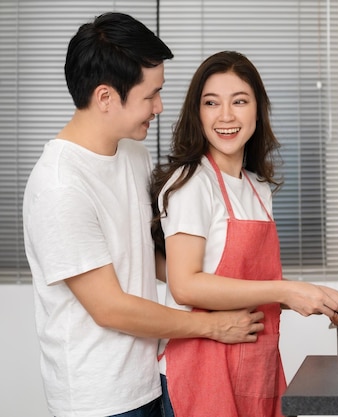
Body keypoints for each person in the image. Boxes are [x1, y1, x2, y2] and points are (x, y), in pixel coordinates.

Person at [22, 14, 265, 417]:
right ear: (105, 98)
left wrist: (222, 288)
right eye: (150, 95)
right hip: (98, 399)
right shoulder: (60, 186)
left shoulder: (132, 153)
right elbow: (110, 307)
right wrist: (213, 325)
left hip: (150, 376)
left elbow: (138, 253)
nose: (159, 107)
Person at [150, 50, 338, 417]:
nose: (226, 116)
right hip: (202, 374)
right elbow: (185, 285)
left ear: (257, 110)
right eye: (211, 103)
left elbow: (244, 281)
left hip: (256, 368)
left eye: (240, 101)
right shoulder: (191, 184)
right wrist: (286, 290)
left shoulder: (256, 186)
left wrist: (318, 296)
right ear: (196, 113)